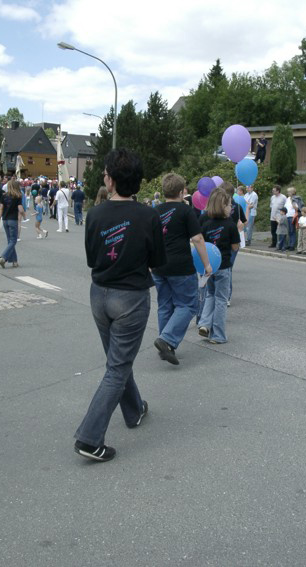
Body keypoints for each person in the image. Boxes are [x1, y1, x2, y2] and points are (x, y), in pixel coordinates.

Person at [74, 148, 166, 462]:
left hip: (99, 294)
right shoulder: (149, 216)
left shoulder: (95, 214)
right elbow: (158, 261)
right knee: (117, 367)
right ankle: (89, 438)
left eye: (104, 173)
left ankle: (134, 409)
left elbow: (90, 258)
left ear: (111, 181)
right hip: (131, 298)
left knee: (117, 362)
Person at [152, 173, 211, 365]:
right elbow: (198, 238)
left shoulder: (155, 211)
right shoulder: (186, 212)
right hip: (180, 265)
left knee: (165, 305)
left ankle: (166, 345)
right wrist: (207, 264)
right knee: (188, 305)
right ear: (181, 192)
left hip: (159, 265)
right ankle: (166, 340)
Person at [197, 189, 240, 344]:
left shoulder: (204, 221)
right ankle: (218, 335)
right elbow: (235, 247)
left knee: (210, 295)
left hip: (208, 266)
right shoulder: (230, 225)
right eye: (229, 205)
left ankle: (204, 323)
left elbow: (200, 241)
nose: (231, 208)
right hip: (223, 266)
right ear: (223, 206)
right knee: (221, 299)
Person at [0, 179, 26, 268]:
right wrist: (24, 215)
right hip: (13, 220)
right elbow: (20, 209)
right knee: (13, 241)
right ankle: (3, 257)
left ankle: (14, 261)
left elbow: (0, 209)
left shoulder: (4, 196)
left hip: (5, 220)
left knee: (10, 241)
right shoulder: (17, 196)